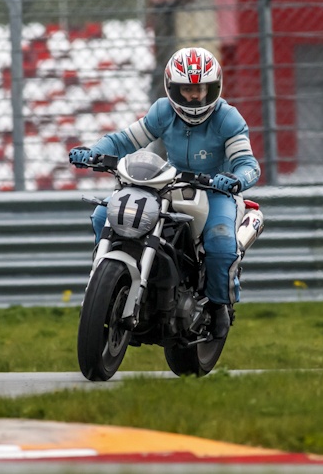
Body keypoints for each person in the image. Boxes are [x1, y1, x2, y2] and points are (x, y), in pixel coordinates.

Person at [69, 46, 261, 338]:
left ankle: (220, 305)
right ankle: (106, 279)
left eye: (201, 89)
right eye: (187, 90)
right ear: (172, 88)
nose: (194, 97)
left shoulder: (228, 119)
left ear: (214, 88)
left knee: (221, 243)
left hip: (215, 189)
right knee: (102, 214)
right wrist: (94, 152)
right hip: (169, 182)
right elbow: (124, 140)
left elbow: (248, 164)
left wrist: (234, 179)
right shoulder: (163, 111)